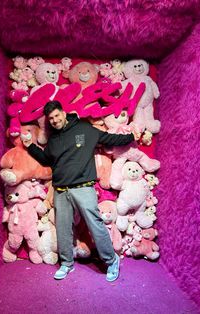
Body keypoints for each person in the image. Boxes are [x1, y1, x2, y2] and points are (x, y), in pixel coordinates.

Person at [22, 100, 139, 282]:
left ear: (63, 112)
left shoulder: (85, 129)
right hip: (60, 190)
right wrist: (30, 146)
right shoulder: (53, 138)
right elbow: (46, 160)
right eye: (51, 118)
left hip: (83, 187)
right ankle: (66, 263)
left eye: (56, 115)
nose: (54, 120)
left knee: (95, 225)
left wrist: (131, 136)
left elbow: (110, 138)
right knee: (62, 228)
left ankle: (111, 260)